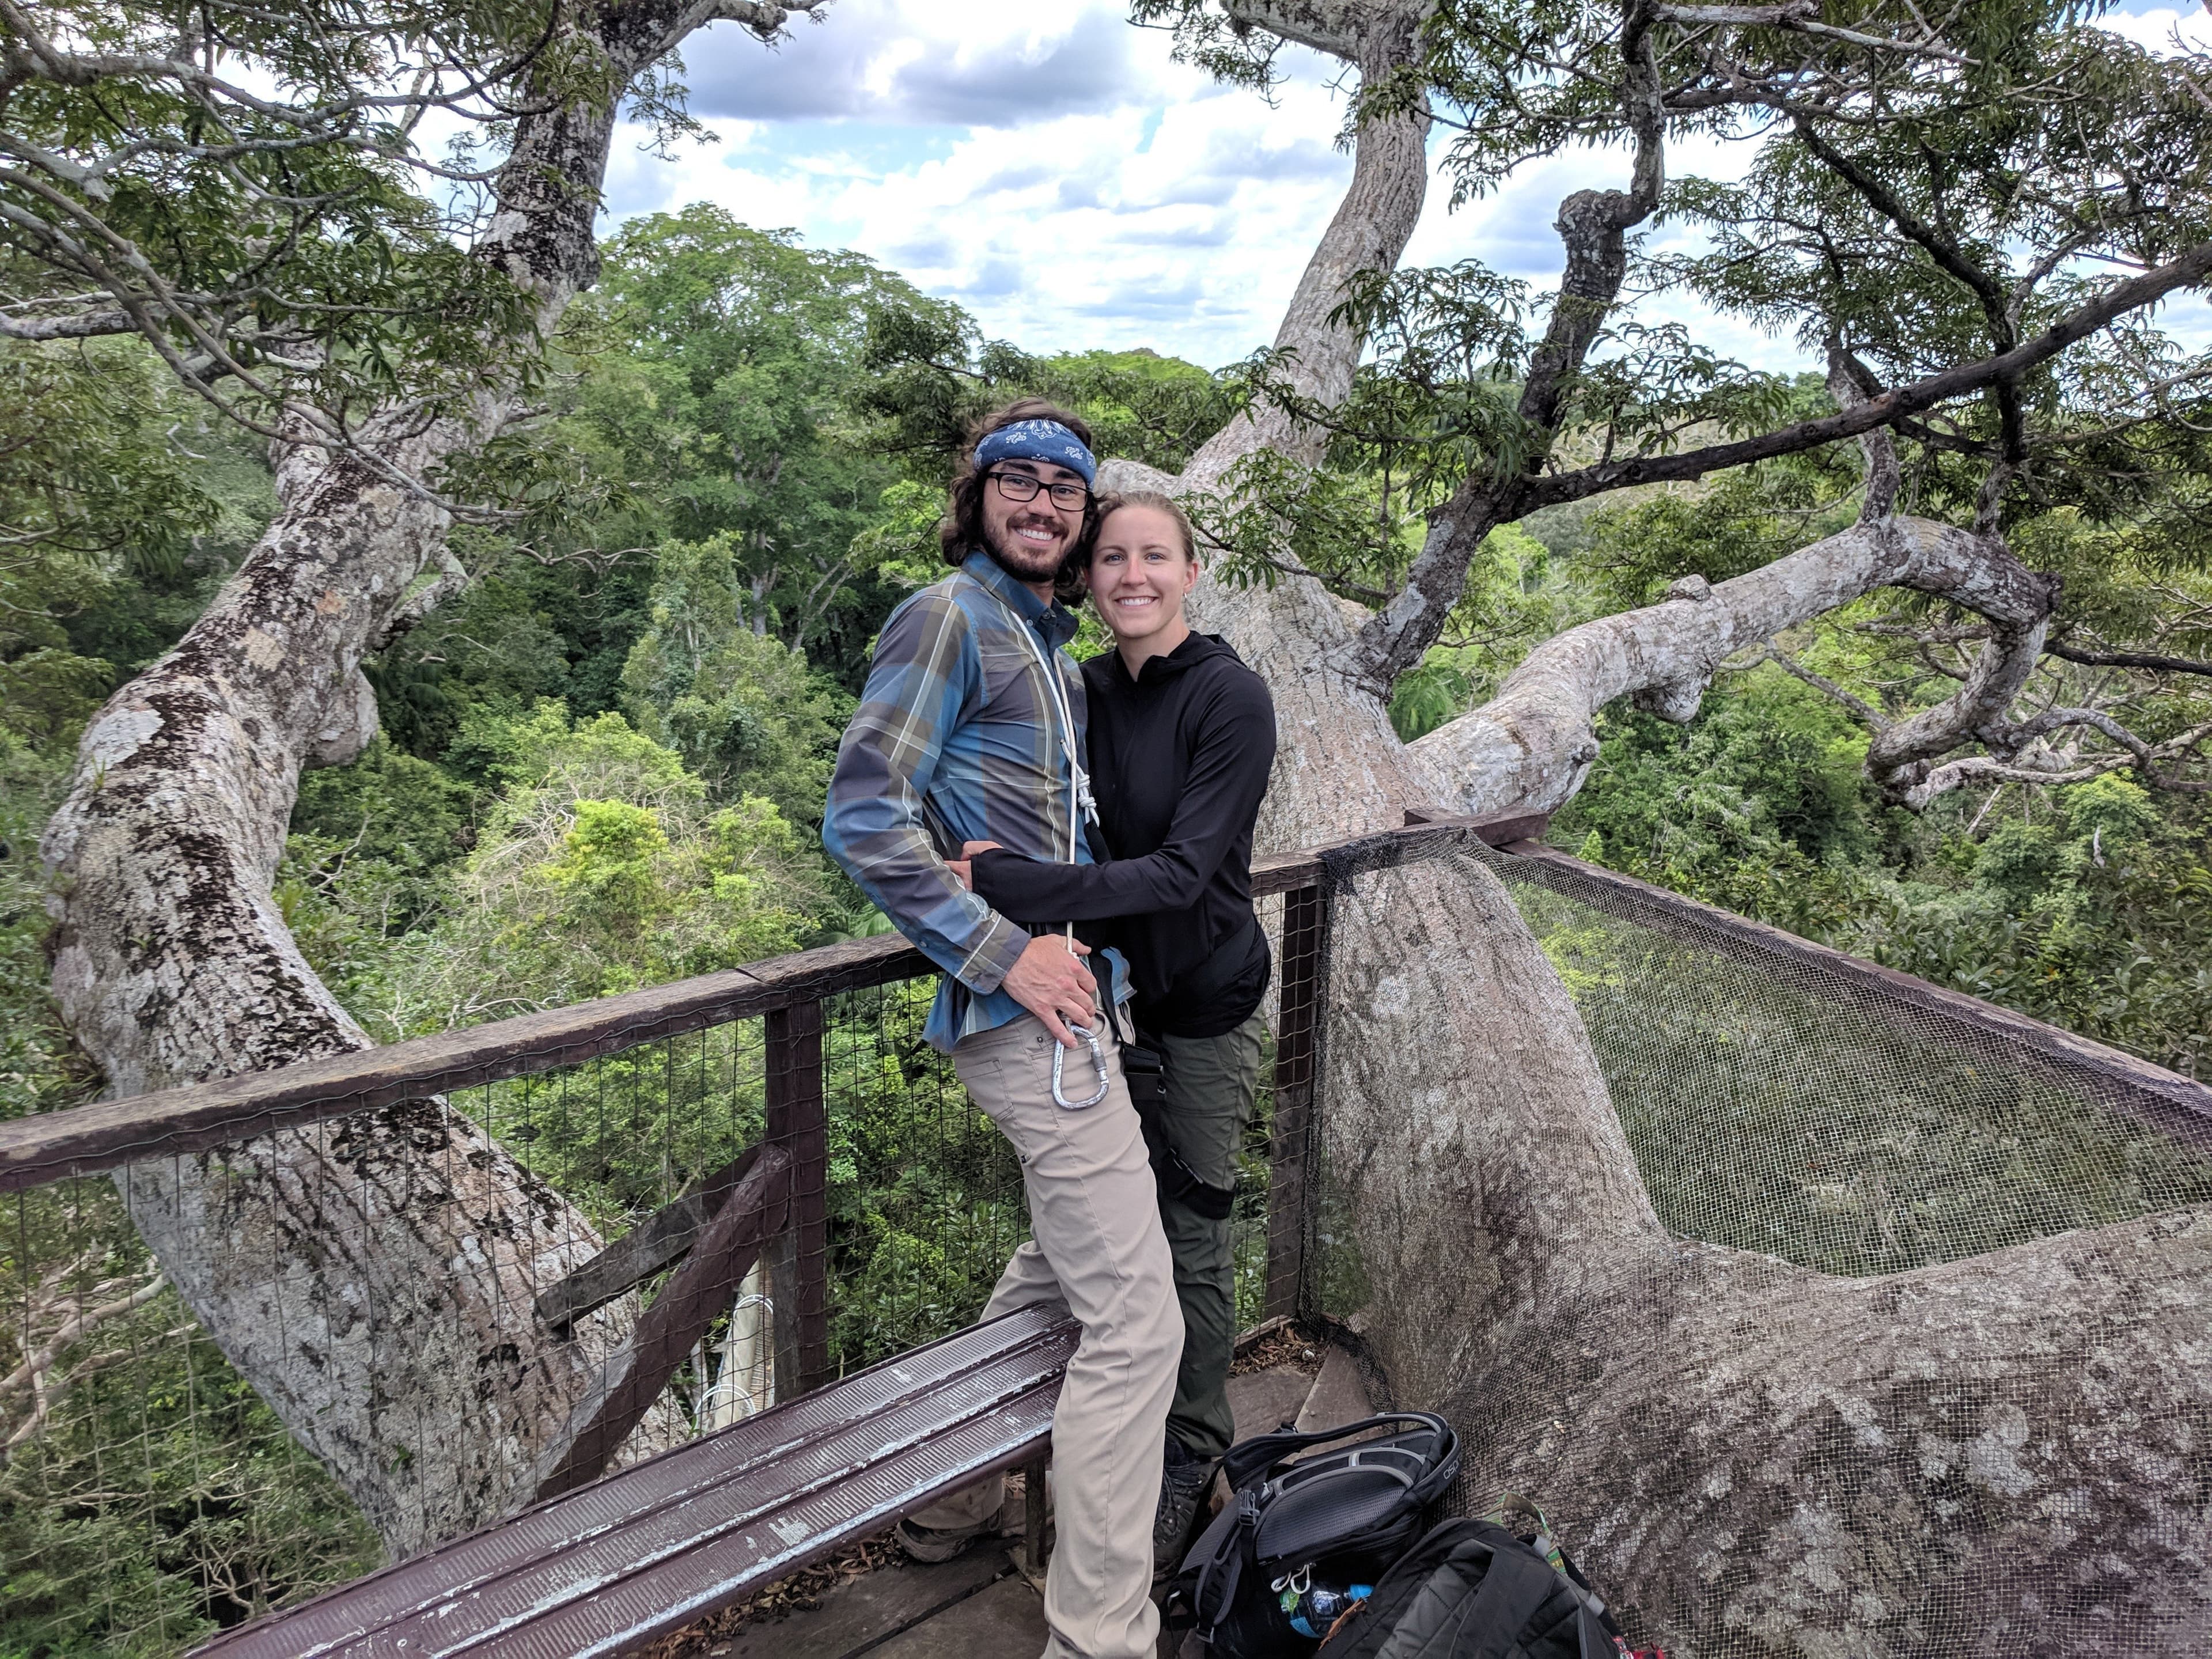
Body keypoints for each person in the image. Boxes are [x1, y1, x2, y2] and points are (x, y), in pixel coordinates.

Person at [820, 402, 1182, 1659]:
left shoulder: (1045, 641)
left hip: (1084, 1010)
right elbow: (866, 815)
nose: (1041, 505)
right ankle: (1099, 1640)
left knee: (1054, 1277)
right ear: (976, 498)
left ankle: (943, 1515)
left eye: (1064, 493)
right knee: (1140, 1325)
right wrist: (1001, 947)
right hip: (1026, 1020)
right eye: (1016, 484)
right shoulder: (950, 619)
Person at [948, 490, 1277, 1563]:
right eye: (1113, 560)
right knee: (1076, 1233)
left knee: (1191, 1228)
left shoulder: (1231, 699)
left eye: (1155, 558)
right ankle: (961, 1470)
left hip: (1201, 1001)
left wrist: (1010, 884)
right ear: (1088, 580)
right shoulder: (1082, 690)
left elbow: (1185, 874)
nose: (1132, 576)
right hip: (1110, 1000)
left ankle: (1193, 1445)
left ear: (1190, 573)